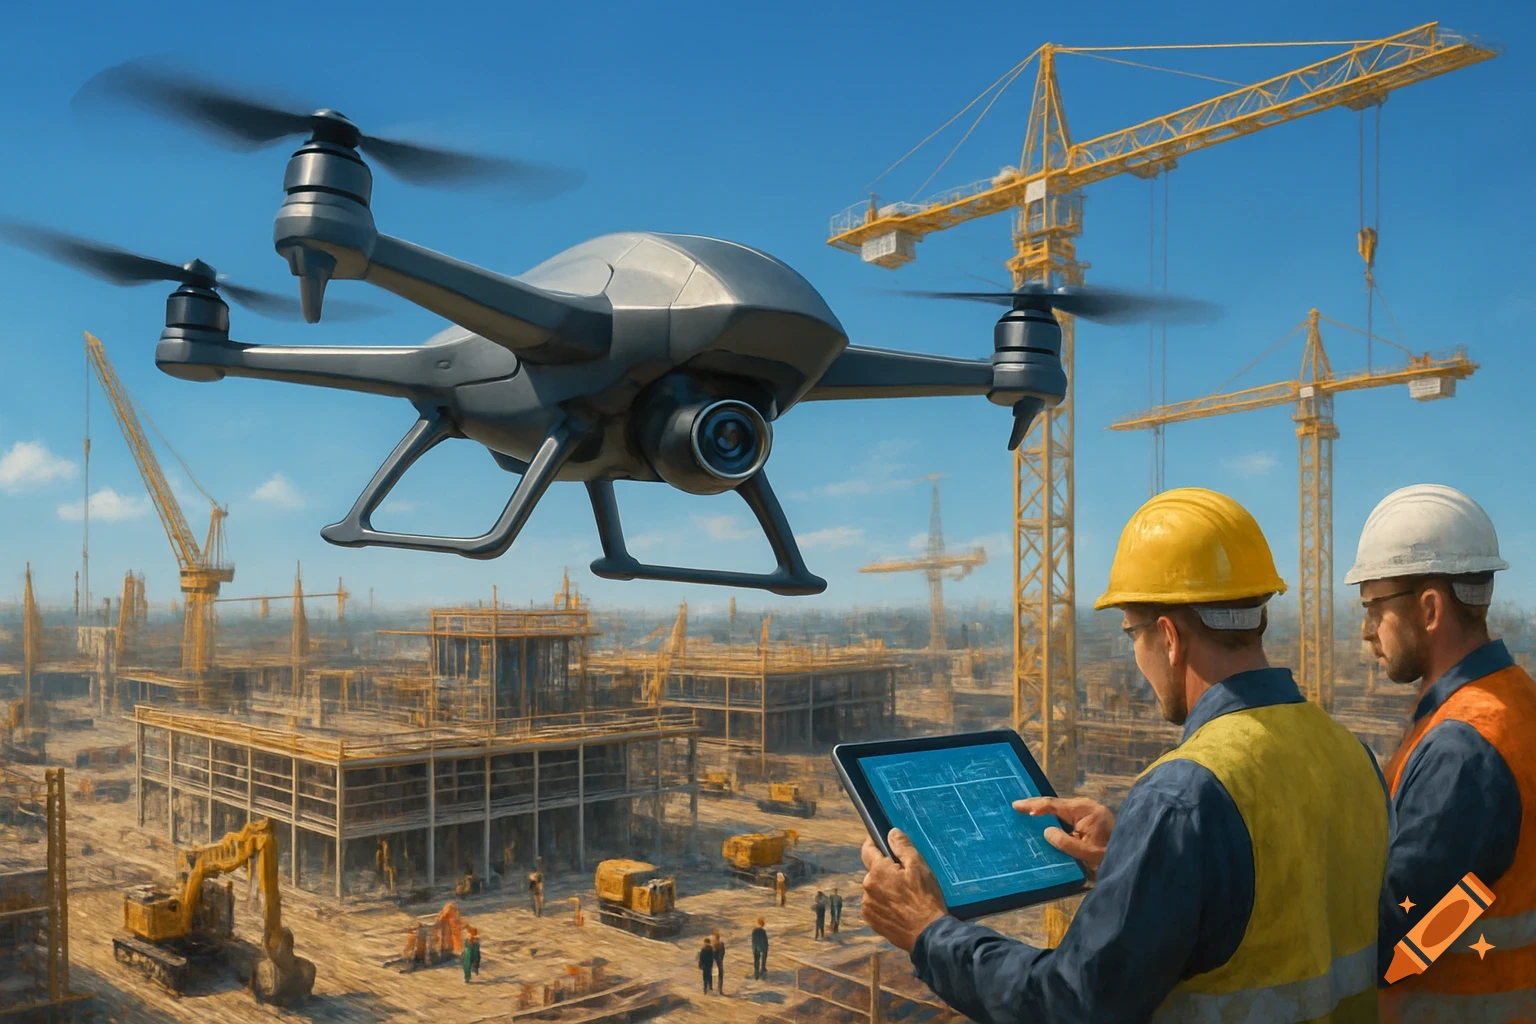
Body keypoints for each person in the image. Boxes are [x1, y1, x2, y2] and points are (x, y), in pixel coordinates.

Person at [859, 487, 1390, 1023]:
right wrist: (1135, 861)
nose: (1137, 655)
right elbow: (1278, 901)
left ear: (1169, 637)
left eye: (1131, 634)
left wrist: (927, 930)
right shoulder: (1351, 754)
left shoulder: (1182, 794)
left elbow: (1072, 1003)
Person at [1345, 485, 1536, 1022]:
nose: (1366, 632)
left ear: (1429, 608)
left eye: (1374, 609)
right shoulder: (1515, 700)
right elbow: (1471, 895)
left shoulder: (1464, 752)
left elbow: (1397, 946)